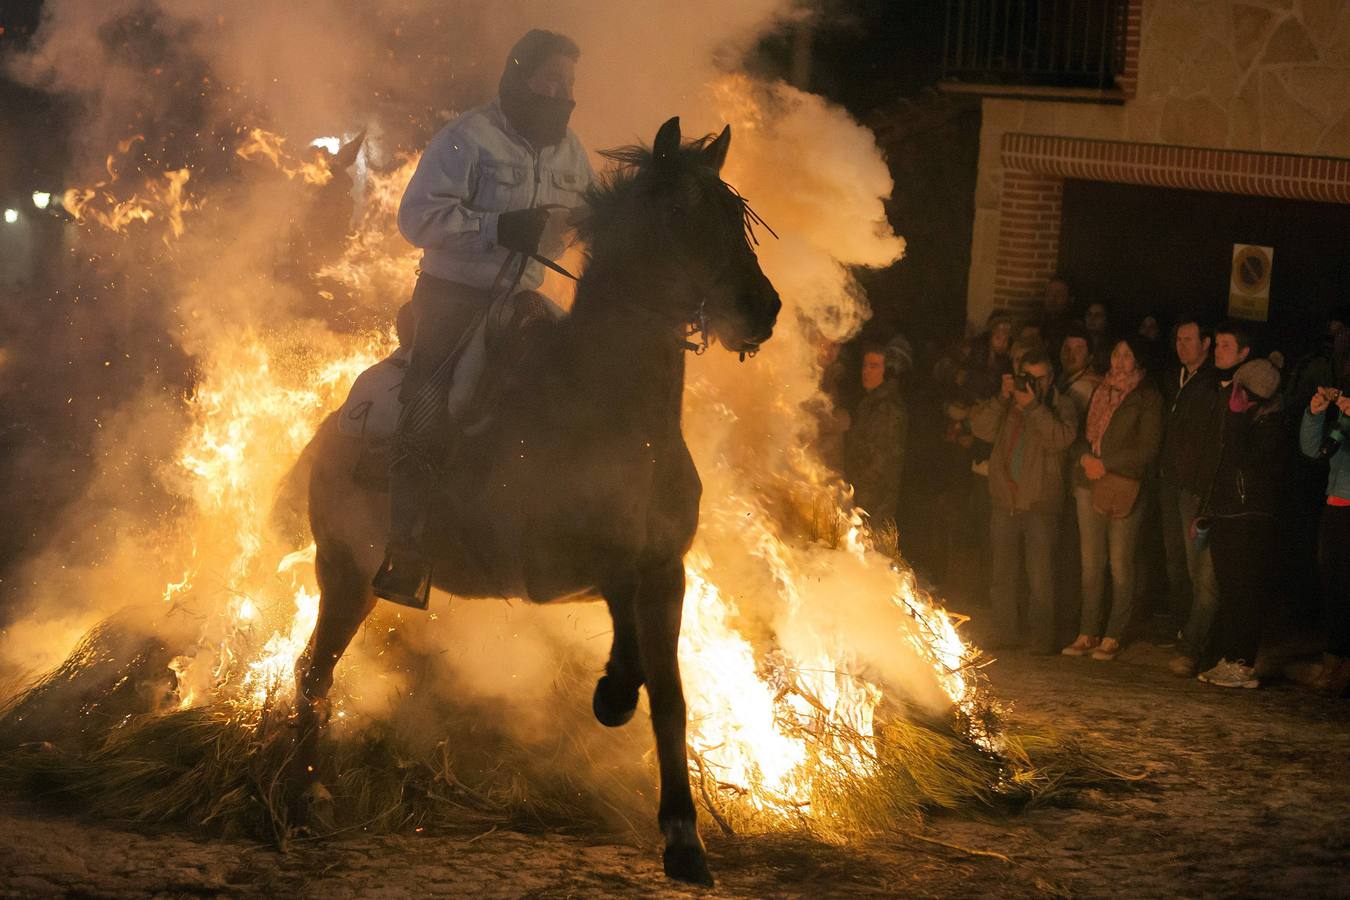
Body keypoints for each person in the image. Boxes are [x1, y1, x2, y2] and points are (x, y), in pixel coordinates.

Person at [375, 29, 595, 605]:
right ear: (521, 75)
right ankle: (406, 547)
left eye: (569, 81)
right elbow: (417, 220)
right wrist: (497, 228)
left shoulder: (573, 152)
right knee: (429, 406)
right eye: (552, 77)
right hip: (451, 299)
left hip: (522, 299)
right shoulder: (466, 138)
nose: (562, 90)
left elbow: (590, 223)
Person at [1062, 337, 1163, 661]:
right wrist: (1085, 460)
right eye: (1117, 353)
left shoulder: (1147, 397)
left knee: (1120, 563)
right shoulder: (1099, 390)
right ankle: (1087, 631)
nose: (1120, 361)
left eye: (1127, 355)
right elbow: (1080, 436)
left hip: (1123, 485)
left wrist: (1106, 463)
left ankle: (1114, 633)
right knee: (1091, 564)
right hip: (1088, 481)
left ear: (1139, 361)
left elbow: (1147, 448)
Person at [971, 350, 1078, 652]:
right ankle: (1005, 632)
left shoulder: (1061, 405)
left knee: (1040, 576)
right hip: (1004, 500)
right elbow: (981, 429)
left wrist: (1032, 407)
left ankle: (1041, 639)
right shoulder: (1009, 405)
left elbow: (1061, 438)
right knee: (1002, 574)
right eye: (1028, 377)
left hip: (1040, 503)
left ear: (1051, 377)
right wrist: (1003, 398)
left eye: (1040, 378)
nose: (1034, 384)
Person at [1196, 357, 1285, 689]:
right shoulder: (1251, 422)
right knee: (1230, 589)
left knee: (1244, 590)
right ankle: (1230, 656)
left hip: (1249, 518)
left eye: (1239, 389)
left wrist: (1235, 418)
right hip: (1228, 513)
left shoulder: (1270, 427)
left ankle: (1242, 662)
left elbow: (1239, 461)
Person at [1159, 317, 1223, 677]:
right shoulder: (1177, 380)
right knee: (1179, 563)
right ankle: (1185, 629)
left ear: (1206, 343)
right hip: (1172, 484)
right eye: (1178, 339)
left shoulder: (1211, 384)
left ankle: (1197, 643)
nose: (1182, 345)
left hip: (1195, 489)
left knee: (1200, 567)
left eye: (1189, 339)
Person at [1301, 383, 1350, 696]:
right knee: (1334, 588)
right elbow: (1311, 449)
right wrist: (1315, 414)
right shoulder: (1343, 416)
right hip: (1335, 507)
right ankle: (1333, 660)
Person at [845, 344, 908, 527]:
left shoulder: (887, 408)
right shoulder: (871, 402)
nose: (866, 371)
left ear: (887, 372)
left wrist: (859, 498)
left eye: (874, 366)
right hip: (863, 497)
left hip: (873, 504)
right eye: (865, 365)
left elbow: (880, 462)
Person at [1057, 323, 1101, 427]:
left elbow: (1061, 426)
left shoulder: (1083, 387)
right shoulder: (1063, 377)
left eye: (1078, 349)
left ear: (1090, 358)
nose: (1070, 355)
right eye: (1066, 348)